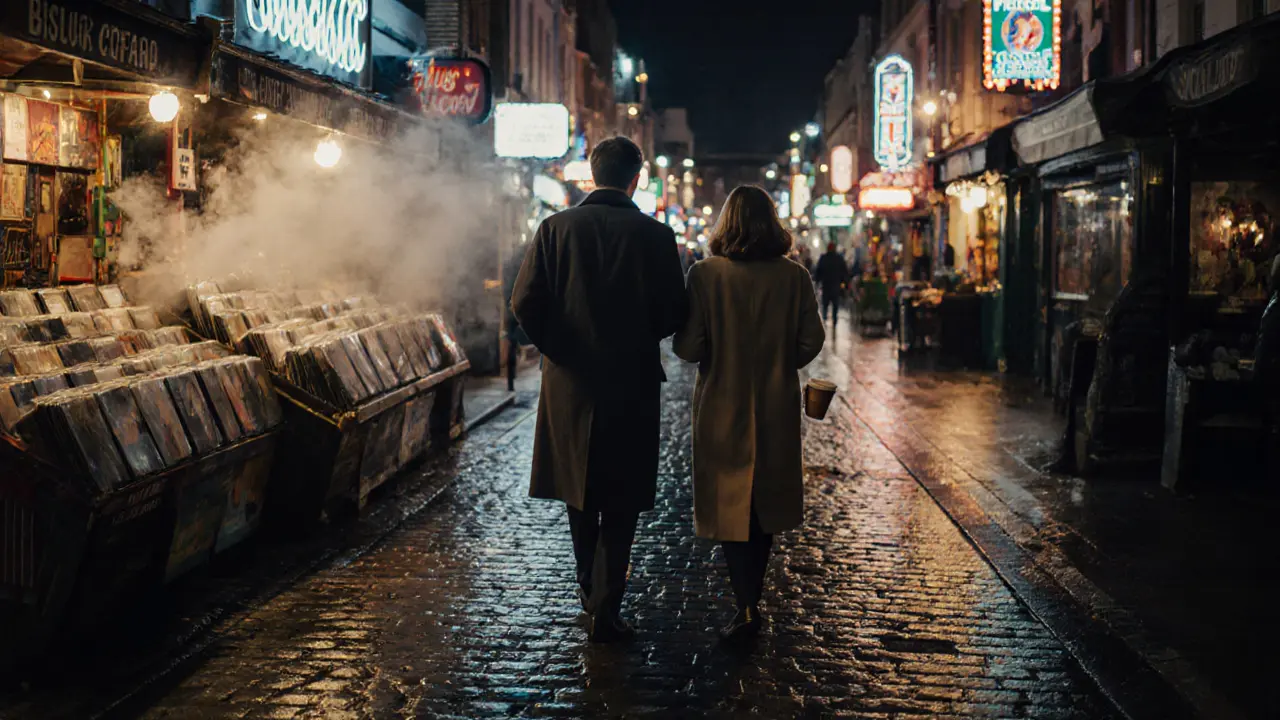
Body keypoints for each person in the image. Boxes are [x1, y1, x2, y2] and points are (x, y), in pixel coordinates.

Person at [511, 137, 688, 643]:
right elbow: (675, 312)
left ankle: (591, 586)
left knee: (579, 490)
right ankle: (606, 601)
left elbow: (524, 302)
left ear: (592, 174)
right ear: (637, 177)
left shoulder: (555, 228)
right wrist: (635, 335)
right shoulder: (655, 235)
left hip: (570, 381)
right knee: (623, 495)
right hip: (630, 379)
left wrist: (558, 347)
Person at [673, 186, 826, 641]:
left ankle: (745, 602)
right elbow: (811, 341)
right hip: (775, 405)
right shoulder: (793, 276)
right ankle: (751, 598)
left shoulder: (705, 275)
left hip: (722, 403)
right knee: (764, 503)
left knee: (731, 501)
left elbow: (688, 346)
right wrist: (780, 361)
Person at [813, 242, 850, 326]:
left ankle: (825, 319)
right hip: (835, 285)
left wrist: (817, 281)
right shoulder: (839, 258)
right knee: (835, 304)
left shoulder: (823, 258)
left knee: (825, 303)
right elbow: (844, 272)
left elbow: (818, 271)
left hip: (826, 285)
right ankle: (834, 320)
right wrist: (846, 283)